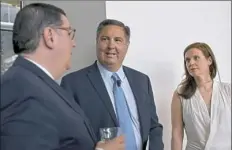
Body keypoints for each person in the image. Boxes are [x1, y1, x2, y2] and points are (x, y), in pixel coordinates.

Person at [1, 3, 125, 150]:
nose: (73, 43)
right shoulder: (22, 90)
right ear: (50, 36)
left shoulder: (35, 83)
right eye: (69, 33)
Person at [60, 19, 164, 150]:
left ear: (126, 45)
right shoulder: (73, 83)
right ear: (97, 42)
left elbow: (153, 126)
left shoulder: (142, 80)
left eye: (118, 40)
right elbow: (66, 136)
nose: (111, 46)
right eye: (105, 39)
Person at [171, 42, 231, 150]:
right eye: (187, 60)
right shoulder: (180, 94)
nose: (191, 63)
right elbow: (177, 133)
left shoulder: (228, 91)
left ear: (209, 60)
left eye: (196, 58)